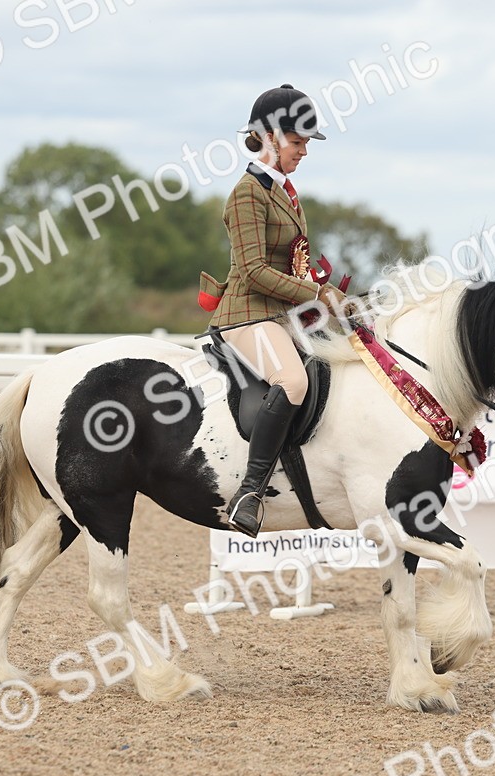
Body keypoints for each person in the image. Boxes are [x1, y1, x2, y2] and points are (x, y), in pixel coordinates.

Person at [197, 83, 347, 537]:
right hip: (246, 313)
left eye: (304, 143)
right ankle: (250, 489)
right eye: (297, 142)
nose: (304, 151)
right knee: (293, 379)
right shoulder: (246, 193)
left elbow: (294, 260)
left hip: (279, 313)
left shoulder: (283, 191)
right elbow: (256, 271)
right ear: (268, 138)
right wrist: (316, 296)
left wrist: (331, 297)